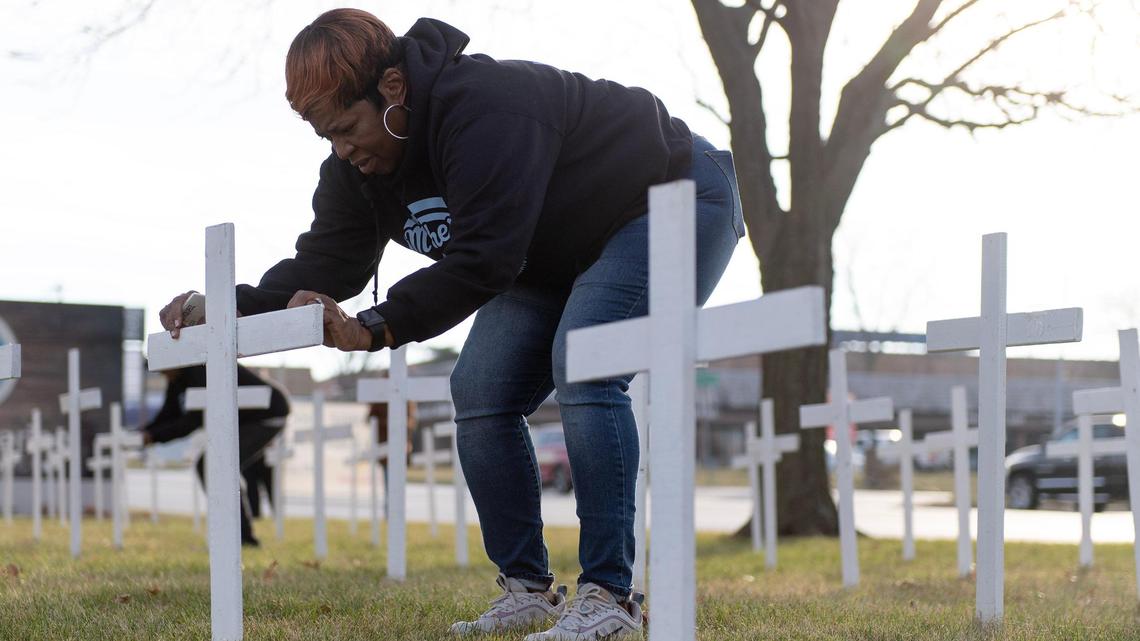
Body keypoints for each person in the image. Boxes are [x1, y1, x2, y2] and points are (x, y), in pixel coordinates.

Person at [160, 9, 743, 640]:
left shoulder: (486, 108)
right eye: (326, 136)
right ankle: (527, 589)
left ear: (392, 88)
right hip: (551, 251)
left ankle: (610, 597)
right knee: (481, 391)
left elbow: (487, 258)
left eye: (348, 128)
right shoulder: (355, 172)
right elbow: (326, 265)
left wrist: (374, 327)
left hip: (668, 196)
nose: (343, 149)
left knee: (587, 363)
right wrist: (225, 303)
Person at [141, 364, 290, 546]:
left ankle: (243, 536)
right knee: (212, 465)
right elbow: (169, 413)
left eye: (164, 371)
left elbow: (192, 421)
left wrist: (153, 436)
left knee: (215, 464)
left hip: (267, 416)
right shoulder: (178, 378)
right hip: (247, 420)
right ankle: (241, 534)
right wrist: (144, 432)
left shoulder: (199, 371)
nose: (165, 376)